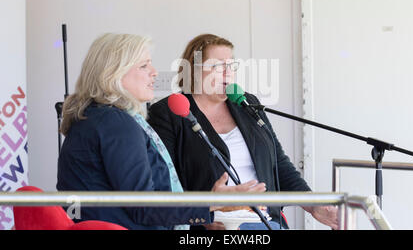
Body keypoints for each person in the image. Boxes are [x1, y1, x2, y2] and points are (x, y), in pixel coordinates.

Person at [57, 33, 266, 230]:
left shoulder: (95, 117)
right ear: (113, 73)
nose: (154, 72)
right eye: (144, 65)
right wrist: (212, 203)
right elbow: (144, 207)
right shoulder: (116, 124)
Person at [147, 34, 339, 230]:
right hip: (213, 225)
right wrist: (203, 214)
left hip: (264, 220)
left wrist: (313, 205)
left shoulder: (247, 104)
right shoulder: (170, 112)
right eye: (217, 66)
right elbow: (165, 181)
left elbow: (279, 164)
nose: (227, 73)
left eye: (231, 66)